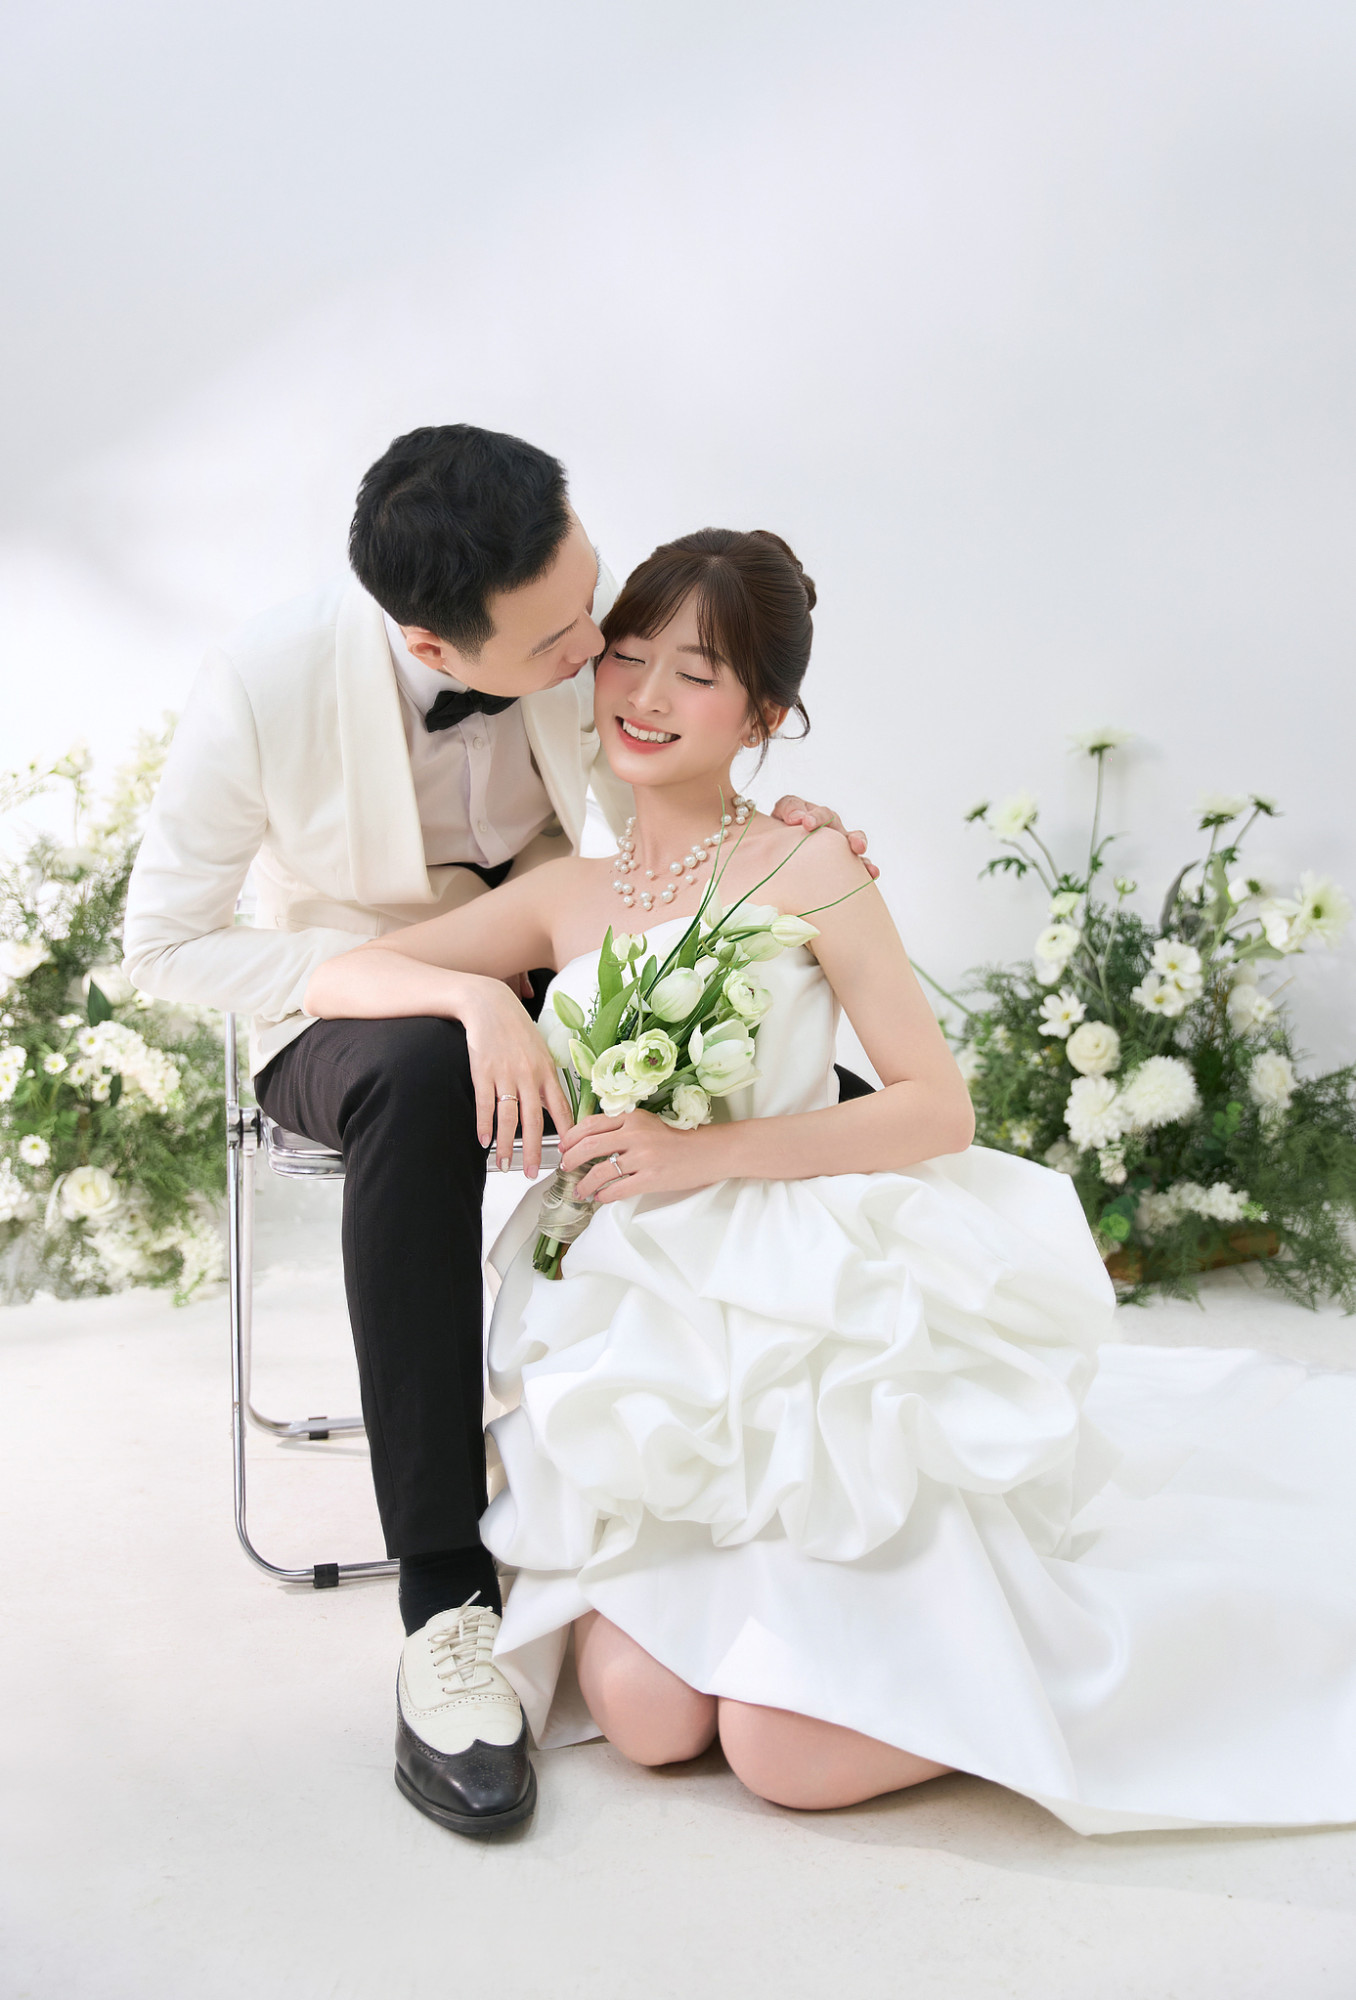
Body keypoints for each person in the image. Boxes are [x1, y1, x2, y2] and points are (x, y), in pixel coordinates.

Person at [310, 524, 1356, 1837]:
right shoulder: (568, 894)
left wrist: (702, 1155)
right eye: (626, 656)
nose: (644, 694)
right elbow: (336, 976)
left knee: (785, 1759)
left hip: (805, 1300)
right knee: (641, 1720)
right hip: (642, 1315)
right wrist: (479, 1003)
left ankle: (999, 1675)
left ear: (765, 715)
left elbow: (935, 1104)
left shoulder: (810, 864)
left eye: (696, 674)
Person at [122, 428, 874, 1839]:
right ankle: (445, 1603)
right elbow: (165, 945)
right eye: (565, 642)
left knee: (778, 1058)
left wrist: (780, 844)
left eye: (593, 603)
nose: (601, 655)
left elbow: (669, 765)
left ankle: (781, 1491)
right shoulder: (266, 684)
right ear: (430, 643)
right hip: (351, 1005)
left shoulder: (552, 601)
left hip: (553, 967)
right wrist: (453, 992)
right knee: (420, 1074)